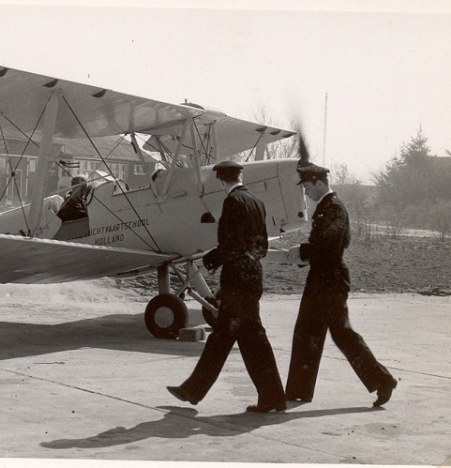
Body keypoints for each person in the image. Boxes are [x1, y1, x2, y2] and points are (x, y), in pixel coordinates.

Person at [166, 161, 287, 413]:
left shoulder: (232, 202)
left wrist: (212, 259)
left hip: (237, 279)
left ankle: (195, 390)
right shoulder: (257, 202)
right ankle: (271, 397)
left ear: (221, 181)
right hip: (253, 275)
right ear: (239, 176)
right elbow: (261, 245)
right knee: (240, 337)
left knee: (230, 337)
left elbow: (231, 243)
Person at [284, 163, 398, 407]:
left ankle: (382, 380)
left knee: (334, 333)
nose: (306, 192)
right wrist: (304, 255)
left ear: (318, 182)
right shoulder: (327, 207)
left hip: (330, 279)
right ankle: (299, 390)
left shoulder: (333, 208)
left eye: (306, 187)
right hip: (324, 277)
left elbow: (327, 246)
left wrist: (302, 252)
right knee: (315, 332)